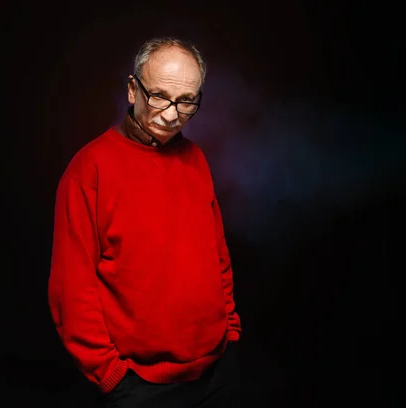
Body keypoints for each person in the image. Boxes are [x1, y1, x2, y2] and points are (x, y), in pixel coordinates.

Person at [48, 37, 242, 408]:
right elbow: (70, 289)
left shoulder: (196, 159)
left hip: (219, 371)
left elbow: (218, 255)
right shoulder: (89, 169)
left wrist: (230, 331)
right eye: (159, 97)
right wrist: (111, 377)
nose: (172, 114)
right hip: (142, 386)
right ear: (132, 88)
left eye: (187, 102)